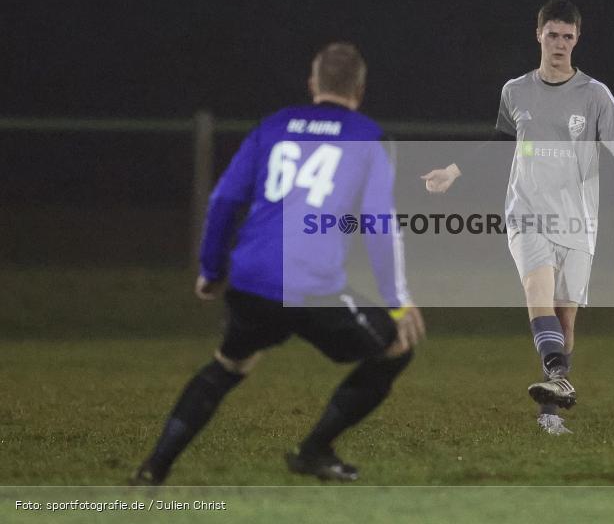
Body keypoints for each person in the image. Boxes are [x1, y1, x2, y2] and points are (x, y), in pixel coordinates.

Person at [131, 42, 424, 484]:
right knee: (397, 345)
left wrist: (211, 271)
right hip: (311, 286)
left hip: (253, 281)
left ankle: (154, 469)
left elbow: (224, 199)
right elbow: (380, 225)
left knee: (229, 364)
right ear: (359, 90)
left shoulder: (272, 127)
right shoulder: (370, 136)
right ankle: (314, 450)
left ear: (313, 85)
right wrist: (398, 303)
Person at [422, 0, 614, 435]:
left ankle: (551, 406)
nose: (559, 43)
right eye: (552, 35)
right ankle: (556, 381)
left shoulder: (595, 95)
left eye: (567, 36)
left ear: (577, 39)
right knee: (536, 292)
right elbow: (500, 141)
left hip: (578, 219)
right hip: (526, 211)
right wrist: (453, 171)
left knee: (565, 321)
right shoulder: (515, 91)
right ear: (538, 35)